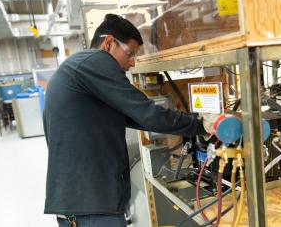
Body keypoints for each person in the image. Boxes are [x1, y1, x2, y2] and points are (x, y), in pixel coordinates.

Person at [43, 14, 208, 226]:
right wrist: (203, 124)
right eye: (129, 54)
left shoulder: (79, 68)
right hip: (91, 206)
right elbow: (149, 114)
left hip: (82, 203)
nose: (132, 63)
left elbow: (138, 117)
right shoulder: (95, 61)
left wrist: (194, 122)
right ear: (109, 42)